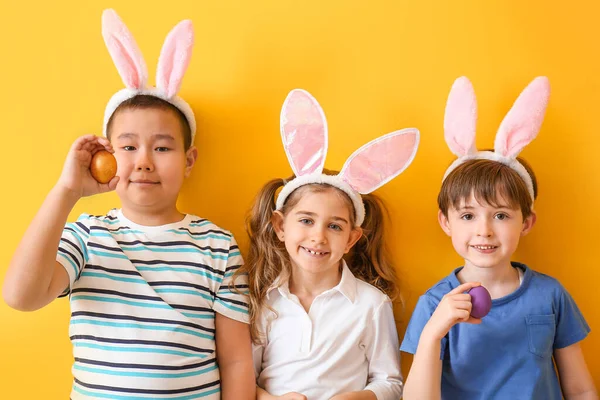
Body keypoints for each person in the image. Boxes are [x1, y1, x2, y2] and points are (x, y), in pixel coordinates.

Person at [2, 9, 254, 400]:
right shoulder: (86, 235)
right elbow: (20, 297)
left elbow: (237, 361)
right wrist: (66, 191)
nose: (144, 161)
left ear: (189, 161)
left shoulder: (217, 245)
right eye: (129, 146)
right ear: (106, 155)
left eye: (163, 147)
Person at [401, 76, 597, 400]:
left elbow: (580, 389)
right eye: (468, 216)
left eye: (501, 215)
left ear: (527, 222)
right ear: (445, 222)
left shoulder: (551, 295)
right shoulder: (435, 304)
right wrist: (433, 333)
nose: (484, 230)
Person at [239, 88, 420, 400]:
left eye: (334, 226)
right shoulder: (263, 302)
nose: (318, 237)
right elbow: (245, 378)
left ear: (351, 238)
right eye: (306, 220)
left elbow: (391, 383)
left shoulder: (371, 304)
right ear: (281, 227)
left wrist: (356, 398)